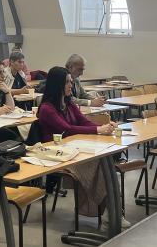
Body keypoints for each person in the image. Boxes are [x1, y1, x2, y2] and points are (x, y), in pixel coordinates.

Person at [36, 66, 121, 224]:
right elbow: (67, 129)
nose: (71, 85)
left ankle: (113, 211)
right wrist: (98, 130)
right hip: (56, 155)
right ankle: (111, 211)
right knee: (98, 165)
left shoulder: (69, 104)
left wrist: (104, 128)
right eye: (67, 82)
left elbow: (83, 122)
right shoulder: (47, 108)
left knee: (104, 163)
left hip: (73, 149)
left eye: (71, 81)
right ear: (57, 84)